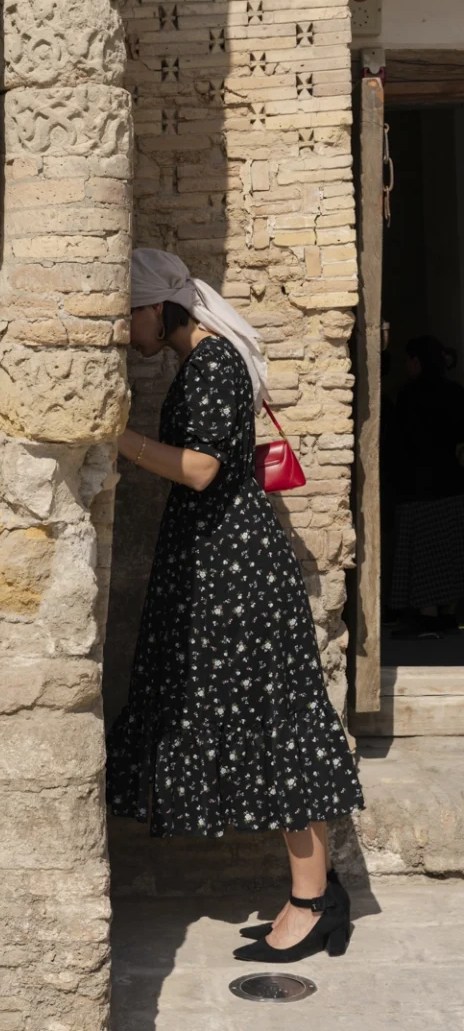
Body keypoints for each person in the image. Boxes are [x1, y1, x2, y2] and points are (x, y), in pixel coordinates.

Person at [106, 248, 365, 963]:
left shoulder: (214, 363)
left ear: (160, 308)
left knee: (278, 724)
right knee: (263, 722)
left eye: (129, 313)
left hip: (236, 573)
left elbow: (203, 468)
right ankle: (313, 893)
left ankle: (314, 903)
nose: (126, 331)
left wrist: (116, 440)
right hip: (218, 565)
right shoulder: (204, 362)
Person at [390, 335, 464, 638]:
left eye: (409, 359)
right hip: (452, 485)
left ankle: (426, 614)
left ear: (418, 361)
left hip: (419, 488)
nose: (406, 365)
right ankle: (447, 613)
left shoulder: (409, 396)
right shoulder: (457, 393)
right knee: (448, 551)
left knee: (422, 555)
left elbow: (400, 444)